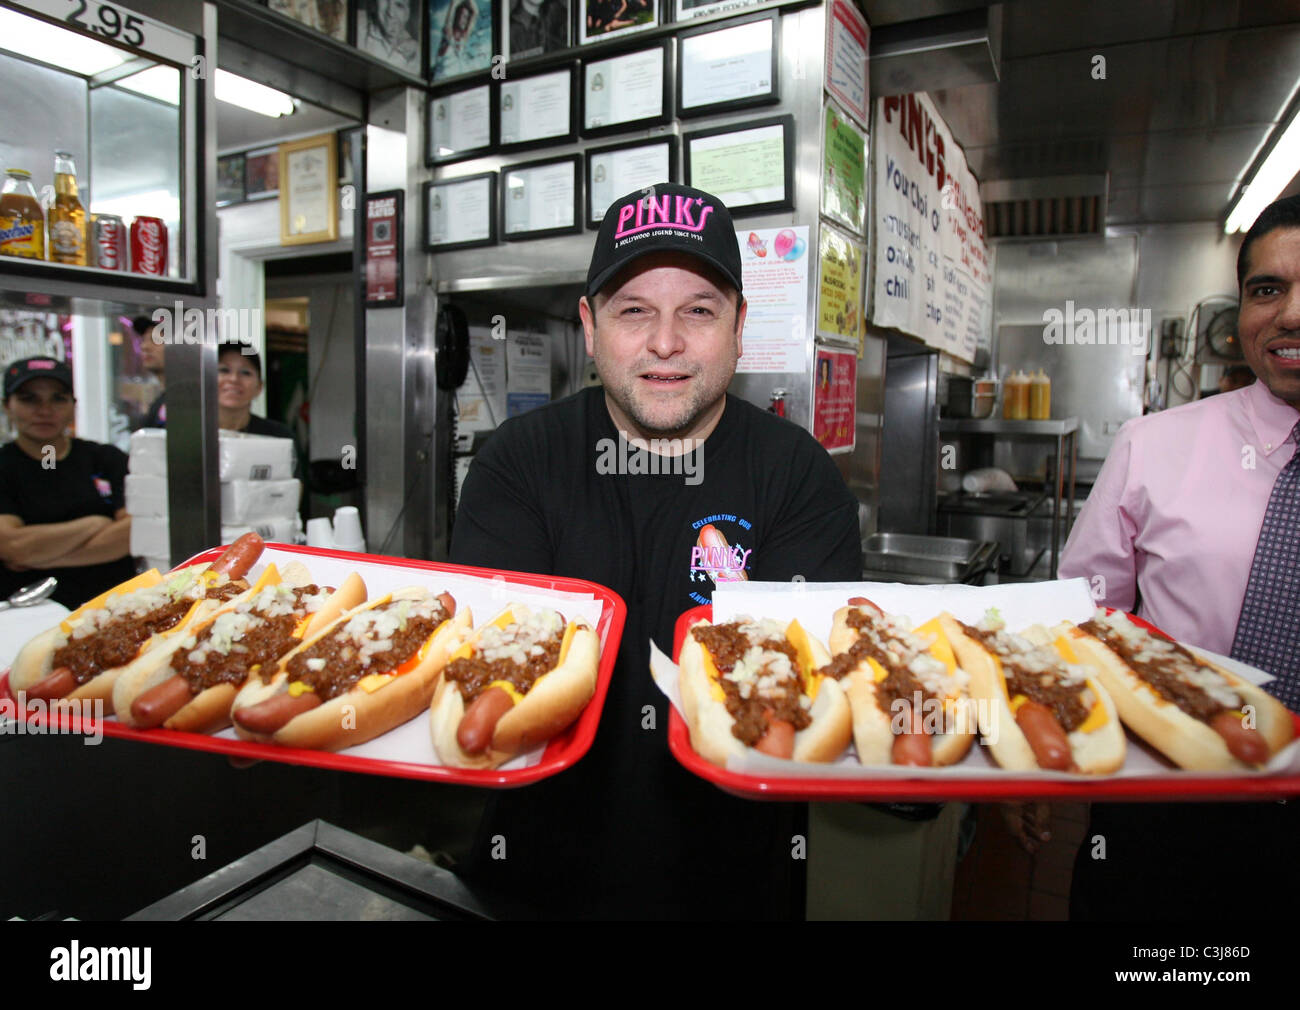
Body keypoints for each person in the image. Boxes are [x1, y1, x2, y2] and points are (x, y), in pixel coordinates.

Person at [449, 184, 863, 919]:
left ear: (740, 327)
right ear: (589, 326)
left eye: (698, 311)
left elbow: (818, 698)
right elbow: (480, 677)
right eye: (633, 310)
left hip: (732, 889)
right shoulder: (516, 463)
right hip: (531, 883)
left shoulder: (799, 477)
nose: (664, 342)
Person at [1058, 193, 1300, 918]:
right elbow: (1083, 617)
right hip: (1164, 799)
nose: (1290, 314)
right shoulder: (1154, 445)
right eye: (1267, 290)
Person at [0, 357, 134, 611]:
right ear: (7, 406)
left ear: (73, 406)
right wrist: (94, 524)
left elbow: (129, 535)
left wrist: (37, 556)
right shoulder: (4, 467)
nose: (45, 410)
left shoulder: (107, 459)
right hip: (25, 611)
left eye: (57, 398)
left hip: (110, 607)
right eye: (30, 399)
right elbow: (12, 546)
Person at [135, 314, 166, 429]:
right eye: (143, 340)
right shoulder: (159, 402)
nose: (144, 346)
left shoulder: (188, 401)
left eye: (156, 339)